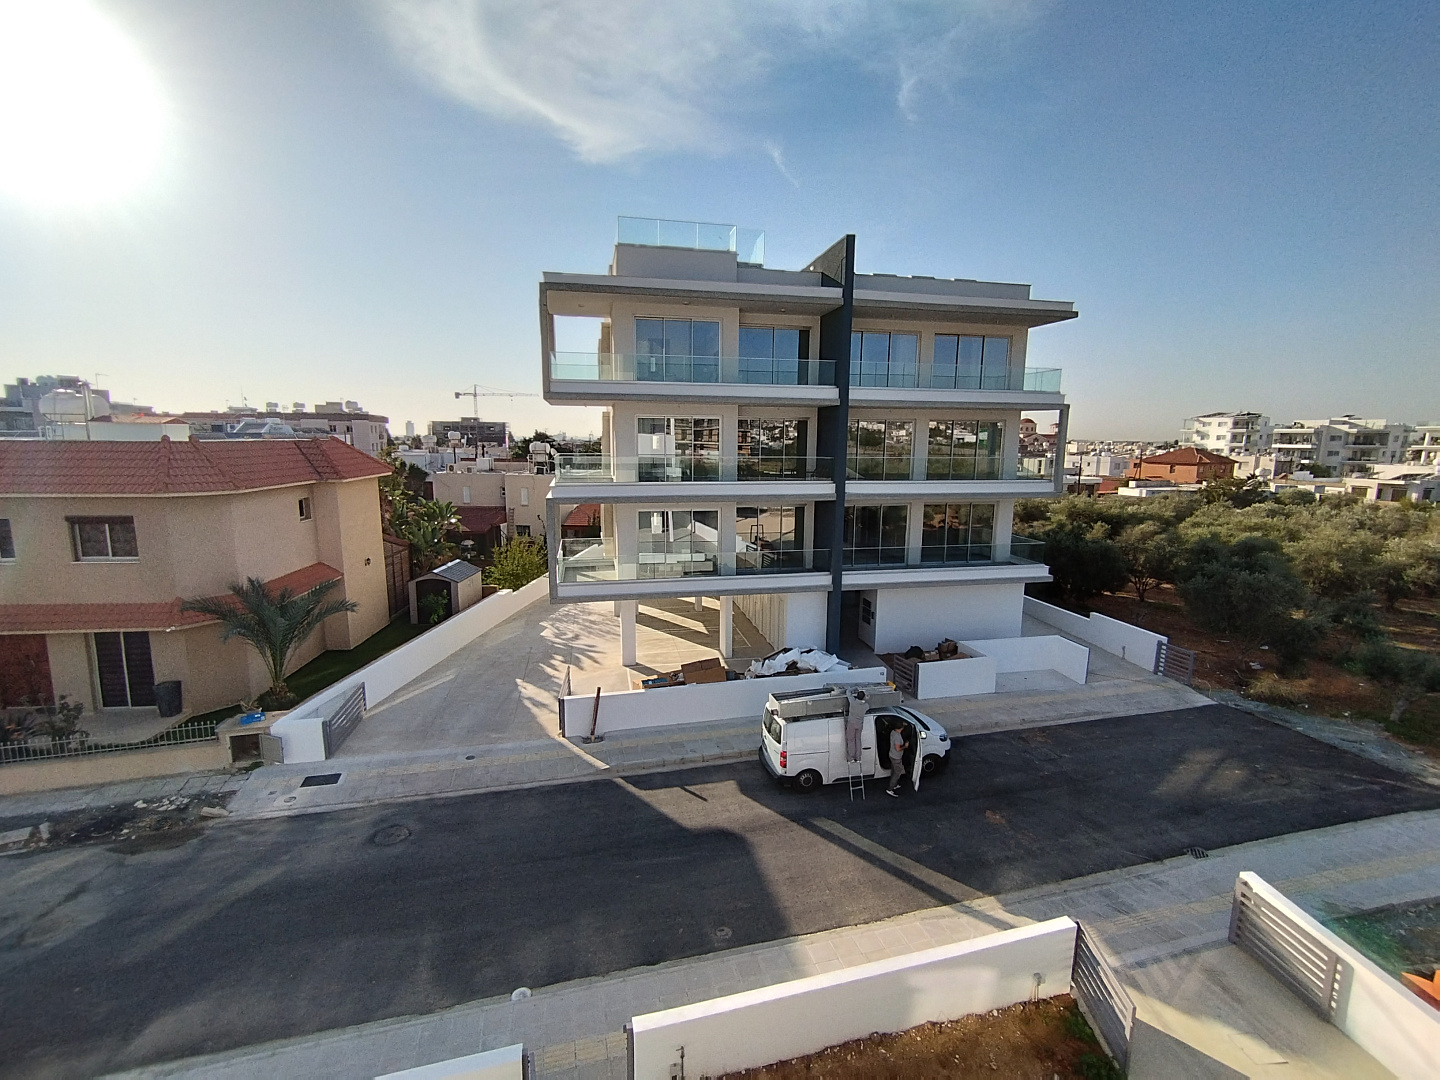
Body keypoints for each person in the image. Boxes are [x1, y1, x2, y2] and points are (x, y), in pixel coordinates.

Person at [886, 722, 909, 797]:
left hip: (892, 755)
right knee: (897, 773)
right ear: (901, 728)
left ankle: (894, 784)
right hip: (896, 757)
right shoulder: (897, 737)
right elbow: (898, 749)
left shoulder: (893, 732)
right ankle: (890, 788)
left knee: (894, 770)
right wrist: (905, 746)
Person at [844, 688, 866, 763]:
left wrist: (854, 688)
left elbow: (848, 692)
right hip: (859, 724)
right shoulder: (866, 706)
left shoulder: (853, 702)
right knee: (858, 740)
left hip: (851, 723)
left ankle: (851, 757)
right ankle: (858, 757)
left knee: (851, 740)